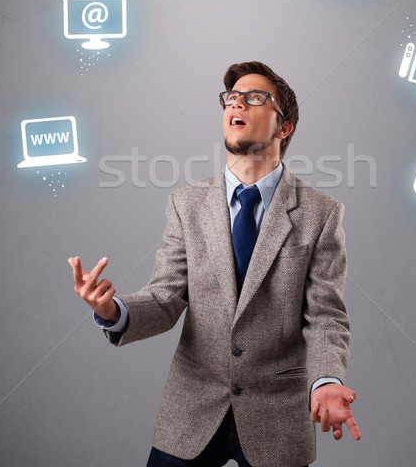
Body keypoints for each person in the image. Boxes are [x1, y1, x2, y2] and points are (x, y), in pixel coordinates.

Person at [69, 61, 360, 467]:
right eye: (231, 97)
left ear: (284, 127)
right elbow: (166, 298)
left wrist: (327, 380)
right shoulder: (185, 204)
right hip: (192, 405)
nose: (237, 103)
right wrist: (112, 310)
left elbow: (326, 316)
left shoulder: (321, 214)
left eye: (255, 97)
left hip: (278, 414)